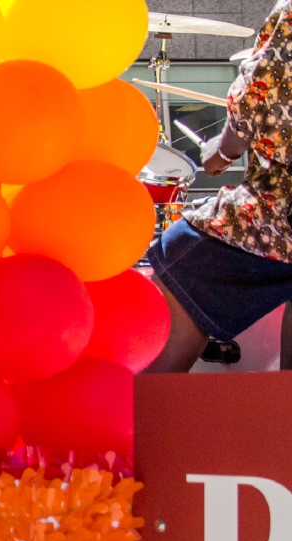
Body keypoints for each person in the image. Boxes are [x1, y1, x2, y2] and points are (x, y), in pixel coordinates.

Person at [146, 3, 292, 374]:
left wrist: (221, 152)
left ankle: (145, 419)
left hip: (281, 218)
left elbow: (262, 99)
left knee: (179, 253)